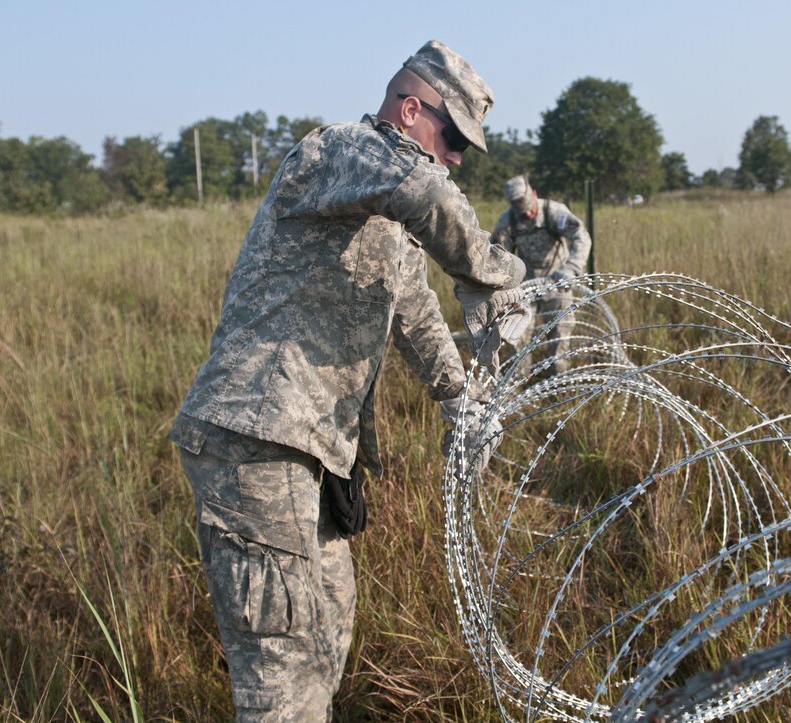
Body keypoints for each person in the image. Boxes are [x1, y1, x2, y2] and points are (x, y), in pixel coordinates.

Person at [167, 40, 526, 722]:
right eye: (451, 137)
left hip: (317, 449)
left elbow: (413, 307)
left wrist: (459, 398)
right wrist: (495, 272)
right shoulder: (335, 152)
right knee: (284, 671)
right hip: (257, 439)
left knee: (329, 632)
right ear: (410, 108)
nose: (454, 158)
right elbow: (422, 189)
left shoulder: (385, 212)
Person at [491, 174, 592, 373]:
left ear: (535, 194)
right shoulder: (508, 221)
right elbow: (500, 258)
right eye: (522, 211)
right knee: (517, 338)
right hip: (526, 286)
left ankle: (558, 388)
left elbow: (581, 237)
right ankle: (516, 387)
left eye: (530, 208)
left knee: (559, 339)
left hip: (557, 282)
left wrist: (571, 268)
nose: (528, 214)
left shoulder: (554, 212)